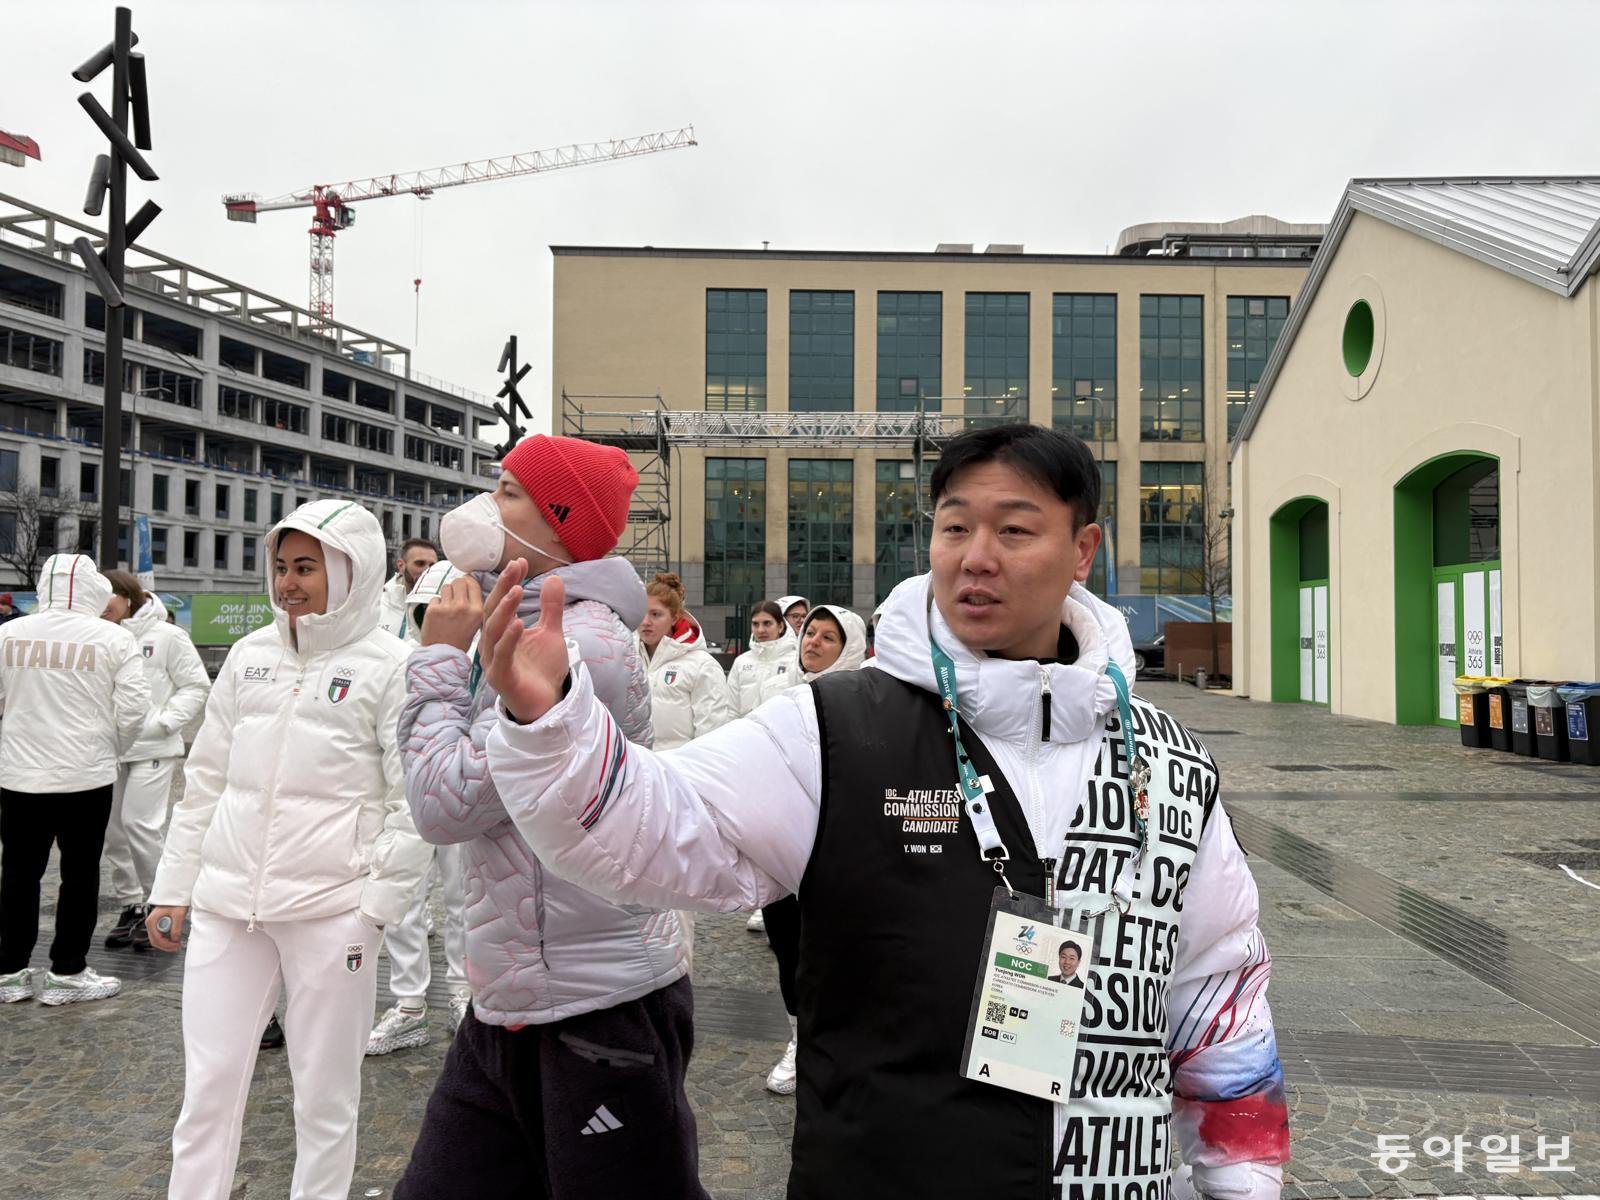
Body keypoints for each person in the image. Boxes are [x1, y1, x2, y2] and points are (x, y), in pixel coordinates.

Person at [476, 424, 1290, 1199]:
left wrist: (1239, 1180)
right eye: (954, 527)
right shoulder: (835, 730)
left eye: (1014, 531)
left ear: (1083, 550)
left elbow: (1218, 993)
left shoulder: (1166, 760)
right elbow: (649, 827)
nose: (976, 558)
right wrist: (550, 726)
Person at [392, 433, 706, 1200]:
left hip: (598, 1003)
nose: (482, 506)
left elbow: (446, 800)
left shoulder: (575, 646)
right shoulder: (520, 622)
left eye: (506, 492)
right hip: (517, 992)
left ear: (559, 523)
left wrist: (436, 655)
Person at [144, 499, 431, 1200]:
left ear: (351, 570)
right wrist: (173, 887)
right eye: (280, 567)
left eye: (306, 567)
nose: (288, 583)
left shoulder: (395, 665)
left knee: (324, 1097)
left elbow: (414, 803)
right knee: (208, 1086)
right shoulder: (249, 657)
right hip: (226, 906)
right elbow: (204, 779)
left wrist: (375, 908)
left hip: (332, 914)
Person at [0, 554, 149, 1006]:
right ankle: (67, 971)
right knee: (80, 875)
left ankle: (9, 972)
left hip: (18, 775)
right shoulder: (113, 639)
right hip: (85, 775)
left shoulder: (7, 634)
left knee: (18, 875)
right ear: (93, 590)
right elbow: (134, 710)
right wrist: (112, 747)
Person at [759, 601, 868, 1095]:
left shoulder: (865, 702)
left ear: (850, 649)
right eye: (810, 633)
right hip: (785, 846)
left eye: (828, 637)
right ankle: (800, 1038)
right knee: (788, 947)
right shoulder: (782, 698)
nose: (813, 642)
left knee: (838, 948)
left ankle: (843, 1041)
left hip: (839, 848)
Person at [367, 558, 472, 1054]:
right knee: (404, 903)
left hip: (462, 794)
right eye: (426, 610)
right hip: (408, 797)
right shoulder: (396, 661)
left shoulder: (487, 658)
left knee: (463, 900)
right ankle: (408, 1004)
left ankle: (464, 993)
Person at [99, 572, 210, 952]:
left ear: (128, 597)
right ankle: (131, 904)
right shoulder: (100, 635)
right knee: (113, 832)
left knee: (140, 826)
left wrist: (164, 723)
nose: (103, 605)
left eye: (109, 597)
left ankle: (160, 902)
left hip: (152, 749)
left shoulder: (167, 636)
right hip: (109, 749)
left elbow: (196, 685)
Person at [638, 572, 733, 750]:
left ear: (674, 617)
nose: (645, 622)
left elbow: (711, 733)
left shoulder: (702, 665)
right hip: (636, 768)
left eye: (656, 614)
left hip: (679, 771)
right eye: (642, 613)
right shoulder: (628, 660)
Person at [726, 600, 801, 719]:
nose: (760, 630)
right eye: (755, 624)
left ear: (780, 626)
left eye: (767, 623)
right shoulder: (741, 662)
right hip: (746, 733)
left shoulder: (796, 661)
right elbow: (731, 708)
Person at [379, 538, 440, 643]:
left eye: (432, 565)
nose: (427, 570)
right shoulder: (377, 605)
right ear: (401, 566)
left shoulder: (442, 609)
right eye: (420, 563)